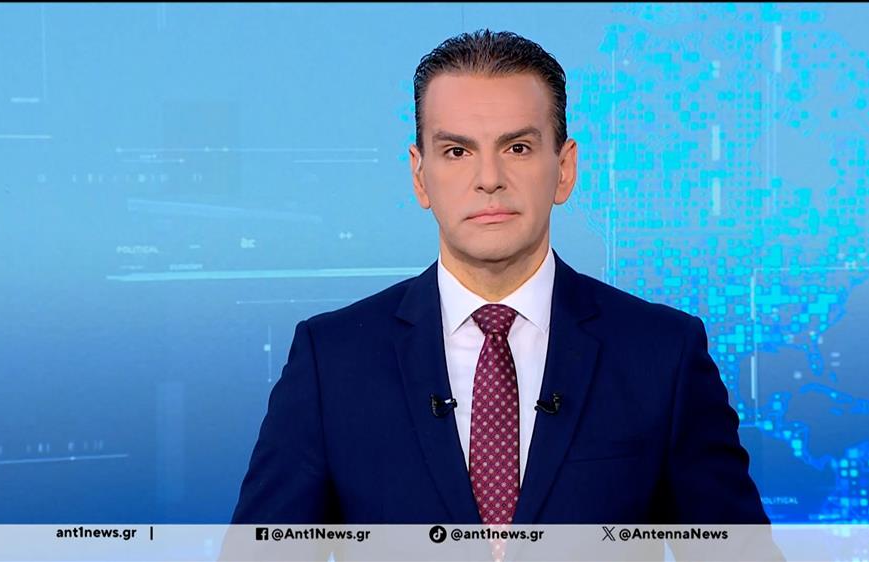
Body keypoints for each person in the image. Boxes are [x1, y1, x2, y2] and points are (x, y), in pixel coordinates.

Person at [231, 28, 770, 529]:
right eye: (457, 151)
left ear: (564, 169)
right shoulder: (330, 361)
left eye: (517, 148)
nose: (489, 179)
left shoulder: (663, 355)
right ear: (420, 177)